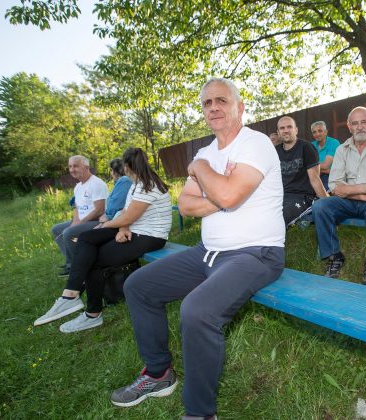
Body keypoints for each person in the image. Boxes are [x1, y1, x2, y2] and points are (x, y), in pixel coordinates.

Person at [110, 78, 285, 419]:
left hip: (255, 253)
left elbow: (228, 195)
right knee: (139, 285)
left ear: (240, 107)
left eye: (221, 100)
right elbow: (188, 206)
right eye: (207, 103)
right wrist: (222, 192)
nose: (213, 107)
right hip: (207, 252)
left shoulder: (255, 144)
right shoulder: (206, 152)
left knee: (196, 312)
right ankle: (158, 374)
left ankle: (200, 412)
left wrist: (203, 173)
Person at [34, 148, 172, 332]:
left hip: (150, 236)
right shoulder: (136, 183)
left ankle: (92, 314)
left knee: (94, 259)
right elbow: (126, 211)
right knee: (86, 238)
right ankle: (70, 295)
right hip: (133, 228)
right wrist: (122, 227)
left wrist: (106, 225)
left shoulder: (148, 185)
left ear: (127, 166)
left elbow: (128, 216)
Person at [311, 106, 366, 285]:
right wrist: (365, 195)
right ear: (349, 126)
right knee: (320, 206)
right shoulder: (342, 149)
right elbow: (334, 185)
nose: (360, 127)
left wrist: (348, 190)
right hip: (351, 202)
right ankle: (334, 256)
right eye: (355, 123)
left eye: (364, 122)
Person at [50, 155, 108, 277]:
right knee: (56, 229)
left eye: (75, 166)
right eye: (70, 166)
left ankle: (75, 267)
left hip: (98, 221)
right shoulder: (78, 186)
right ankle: (71, 261)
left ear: (86, 167)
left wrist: (80, 224)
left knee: (68, 233)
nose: (72, 170)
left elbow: (99, 210)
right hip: (84, 221)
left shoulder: (96, 184)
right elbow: (77, 207)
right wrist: (74, 222)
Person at [276, 116, 328, 225]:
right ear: (278, 132)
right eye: (282, 128)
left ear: (296, 130)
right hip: (280, 195)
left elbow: (315, 180)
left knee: (279, 219)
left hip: (302, 197)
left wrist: (328, 205)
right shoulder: (275, 151)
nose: (286, 130)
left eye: (289, 127)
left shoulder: (307, 148)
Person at [99, 158, 132, 223]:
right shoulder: (121, 182)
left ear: (115, 171)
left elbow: (117, 202)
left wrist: (108, 216)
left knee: (84, 229)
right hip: (114, 218)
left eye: (111, 170)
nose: (111, 173)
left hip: (115, 219)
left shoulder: (124, 180)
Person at [310, 121, 340, 190]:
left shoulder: (333, 142)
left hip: (332, 176)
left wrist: (312, 167)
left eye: (320, 131)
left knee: (323, 190)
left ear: (326, 132)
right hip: (317, 175)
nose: (317, 134)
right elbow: (306, 165)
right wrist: (325, 170)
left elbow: (325, 165)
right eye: (314, 132)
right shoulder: (311, 145)